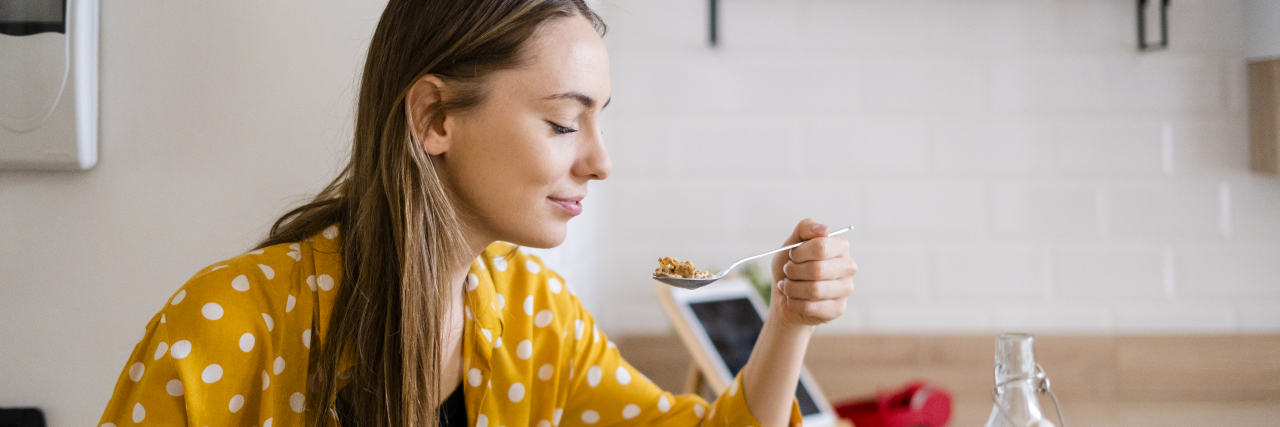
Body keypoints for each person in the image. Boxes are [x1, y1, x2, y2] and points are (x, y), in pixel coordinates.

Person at [97, 0, 858, 426]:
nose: (600, 160)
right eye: (564, 122)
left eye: (600, 121)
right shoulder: (227, 326)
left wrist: (789, 319)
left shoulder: (537, 319)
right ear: (434, 117)